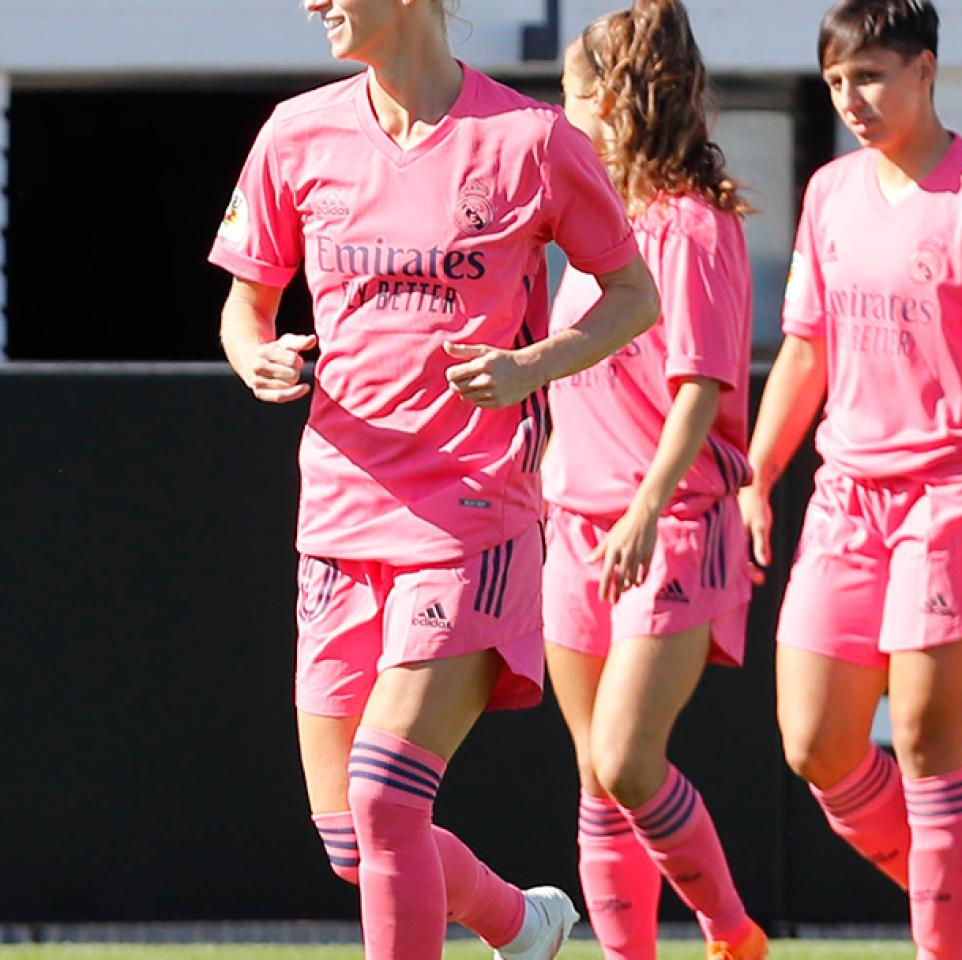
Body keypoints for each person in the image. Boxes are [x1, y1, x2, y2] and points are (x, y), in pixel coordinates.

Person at [209, 0, 660, 956]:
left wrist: (531, 364)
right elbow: (244, 307)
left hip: (471, 517)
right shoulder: (296, 134)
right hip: (336, 521)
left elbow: (634, 297)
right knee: (351, 840)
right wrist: (255, 357)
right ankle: (523, 921)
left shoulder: (532, 141)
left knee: (383, 798)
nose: (314, 2)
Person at [737, 2, 962, 957]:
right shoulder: (831, 192)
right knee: (816, 744)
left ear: (925, 70)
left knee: (924, 737)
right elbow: (805, 350)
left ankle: (942, 943)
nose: (853, 100)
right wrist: (757, 476)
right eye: (837, 83)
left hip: (961, 489)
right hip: (846, 496)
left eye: (871, 75)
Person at [539, 3, 763, 959]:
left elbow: (701, 392)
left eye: (569, 94)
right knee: (596, 775)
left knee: (630, 762)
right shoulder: (596, 226)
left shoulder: (693, 227)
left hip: (666, 525)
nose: (559, 114)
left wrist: (641, 510)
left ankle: (730, 934)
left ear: (614, 99)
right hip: (572, 523)